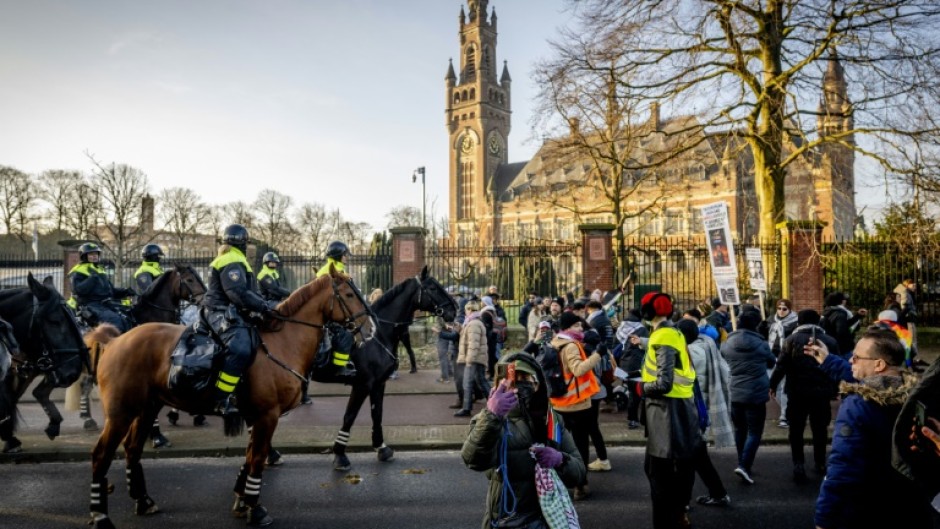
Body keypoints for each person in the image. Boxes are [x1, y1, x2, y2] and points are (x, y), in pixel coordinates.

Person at [814, 328, 932, 529]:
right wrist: (827, 360)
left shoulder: (857, 406)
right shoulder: (918, 399)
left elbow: (843, 469)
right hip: (910, 509)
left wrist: (825, 518)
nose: (851, 360)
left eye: (856, 357)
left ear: (879, 364)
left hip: (866, 512)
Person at [461, 353, 586, 529]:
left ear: (537, 385)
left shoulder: (551, 420)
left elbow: (579, 473)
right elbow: (473, 461)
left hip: (547, 518)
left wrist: (561, 460)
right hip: (507, 520)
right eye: (513, 379)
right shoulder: (487, 421)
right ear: (500, 383)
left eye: (525, 378)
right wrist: (492, 417)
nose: (519, 384)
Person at [639, 292, 703, 529]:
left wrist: (642, 388)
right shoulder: (674, 332)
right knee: (675, 469)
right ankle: (678, 512)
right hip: (680, 408)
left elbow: (663, 383)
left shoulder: (662, 336)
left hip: (666, 412)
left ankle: (669, 519)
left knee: (659, 476)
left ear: (647, 312)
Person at [202, 224, 277, 416]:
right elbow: (237, 293)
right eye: (247, 243)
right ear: (242, 243)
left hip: (230, 310)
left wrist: (264, 305)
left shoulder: (236, 259)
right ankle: (219, 399)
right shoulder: (232, 259)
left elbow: (250, 292)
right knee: (240, 347)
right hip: (218, 311)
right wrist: (263, 306)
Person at [769, 309, 842, 482]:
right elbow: (837, 366)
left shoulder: (791, 340)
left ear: (799, 322)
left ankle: (798, 463)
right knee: (820, 429)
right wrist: (837, 388)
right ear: (818, 321)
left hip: (796, 391)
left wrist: (772, 385)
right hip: (821, 392)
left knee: (796, 429)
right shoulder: (829, 341)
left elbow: (781, 366)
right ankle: (820, 462)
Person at [676, 319, 732, 508]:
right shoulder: (705, 344)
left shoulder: (692, 353)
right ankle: (718, 493)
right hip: (700, 411)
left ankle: (683, 502)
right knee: (699, 458)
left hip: (692, 413)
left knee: (687, 461)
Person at [550, 311, 602, 500]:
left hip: (558, 402)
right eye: (577, 325)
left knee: (560, 445)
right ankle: (581, 484)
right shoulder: (571, 346)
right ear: (568, 328)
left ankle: (559, 482)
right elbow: (578, 370)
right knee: (580, 446)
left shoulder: (555, 341)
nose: (581, 328)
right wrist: (598, 355)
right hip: (577, 404)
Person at [721, 309, 776, 485]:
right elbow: (771, 362)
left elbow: (724, 355)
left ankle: (741, 462)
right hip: (756, 392)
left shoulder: (728, 342)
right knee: (754, 431)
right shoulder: (761, 344)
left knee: (740, 430)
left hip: (736, 390)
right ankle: (744, 465)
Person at [69, 242, 136, 332]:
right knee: (116, 321)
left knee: (129, 317)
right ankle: (114, 345)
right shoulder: (78, 271)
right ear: (84, 256)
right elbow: (78, 290)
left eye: (96, 254)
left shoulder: (100, 270)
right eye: (91, 254)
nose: (94, 256)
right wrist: (92, 278)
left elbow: (111, 291)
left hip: (106, 304)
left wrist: (125, 291)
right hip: (91, 305)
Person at [315, 241, 357, 379]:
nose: (346, 257)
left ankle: (349, 361)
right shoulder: (326, 271)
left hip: (338, 312)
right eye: (345, 255)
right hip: (326, 315)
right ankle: (339, 367)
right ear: (338, 255)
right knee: (345, 336)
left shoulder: (341, 270)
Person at [764, 299, 798, 427]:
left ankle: (784, 416)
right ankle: (787, 410)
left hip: (786, 358)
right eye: (779, 308)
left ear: (789, 310)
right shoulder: (771, 320)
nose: (781, 311)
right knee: (773, 386)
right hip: (772, 357)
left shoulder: (795, 322)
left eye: (784, 309)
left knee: (784, 388)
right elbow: (764, 336)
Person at [455, 300, 491, 417]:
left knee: (467, 383)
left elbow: (473, 344)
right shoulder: (474, 322)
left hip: (473, 359)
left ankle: (466, 408)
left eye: (466, 310)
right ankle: (493, 403)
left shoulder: (473, 324)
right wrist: (460, 329)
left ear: (469, 310)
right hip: (478, 358)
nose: (465, 312)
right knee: (482, 381)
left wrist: (469, 360)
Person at [616, 309, 648, 429]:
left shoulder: (622, 328)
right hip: (637, 364)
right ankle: (635, 419)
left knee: (631, 391)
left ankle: (632, 418)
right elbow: (645, 347)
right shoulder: (641, 329)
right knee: (637, 394)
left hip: (624, 363)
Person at [821, 292, 868, 357]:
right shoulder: (840, 314)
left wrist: (857, 316)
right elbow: (842, 331)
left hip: (832, 344)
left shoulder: (828, 310)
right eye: (843, 299)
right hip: (843, 348)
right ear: (841, 301)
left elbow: (843, 324)